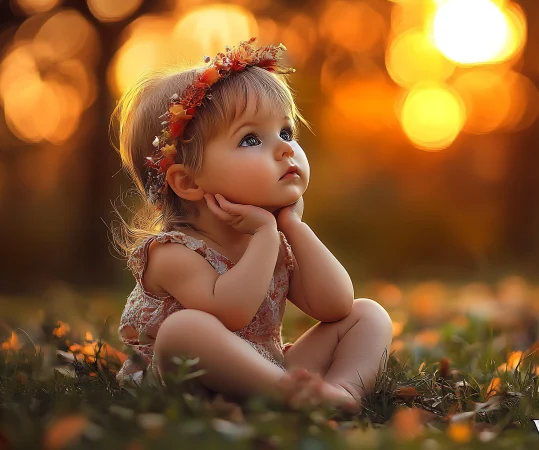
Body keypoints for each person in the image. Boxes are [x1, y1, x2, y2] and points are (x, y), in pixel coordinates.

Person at [109, 38, 393, 413]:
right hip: (191, 380)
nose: (285, 149)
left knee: (366, 314)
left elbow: (335, 305)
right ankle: (294, 395)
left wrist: (293, 228)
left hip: (267, 370)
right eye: (251, 139)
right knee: (185, 330)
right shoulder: (172, 253)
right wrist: (264, 234)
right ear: (190, 183)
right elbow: (232, 312)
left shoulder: (276, 237)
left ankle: (340, 394)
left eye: (286, 132)